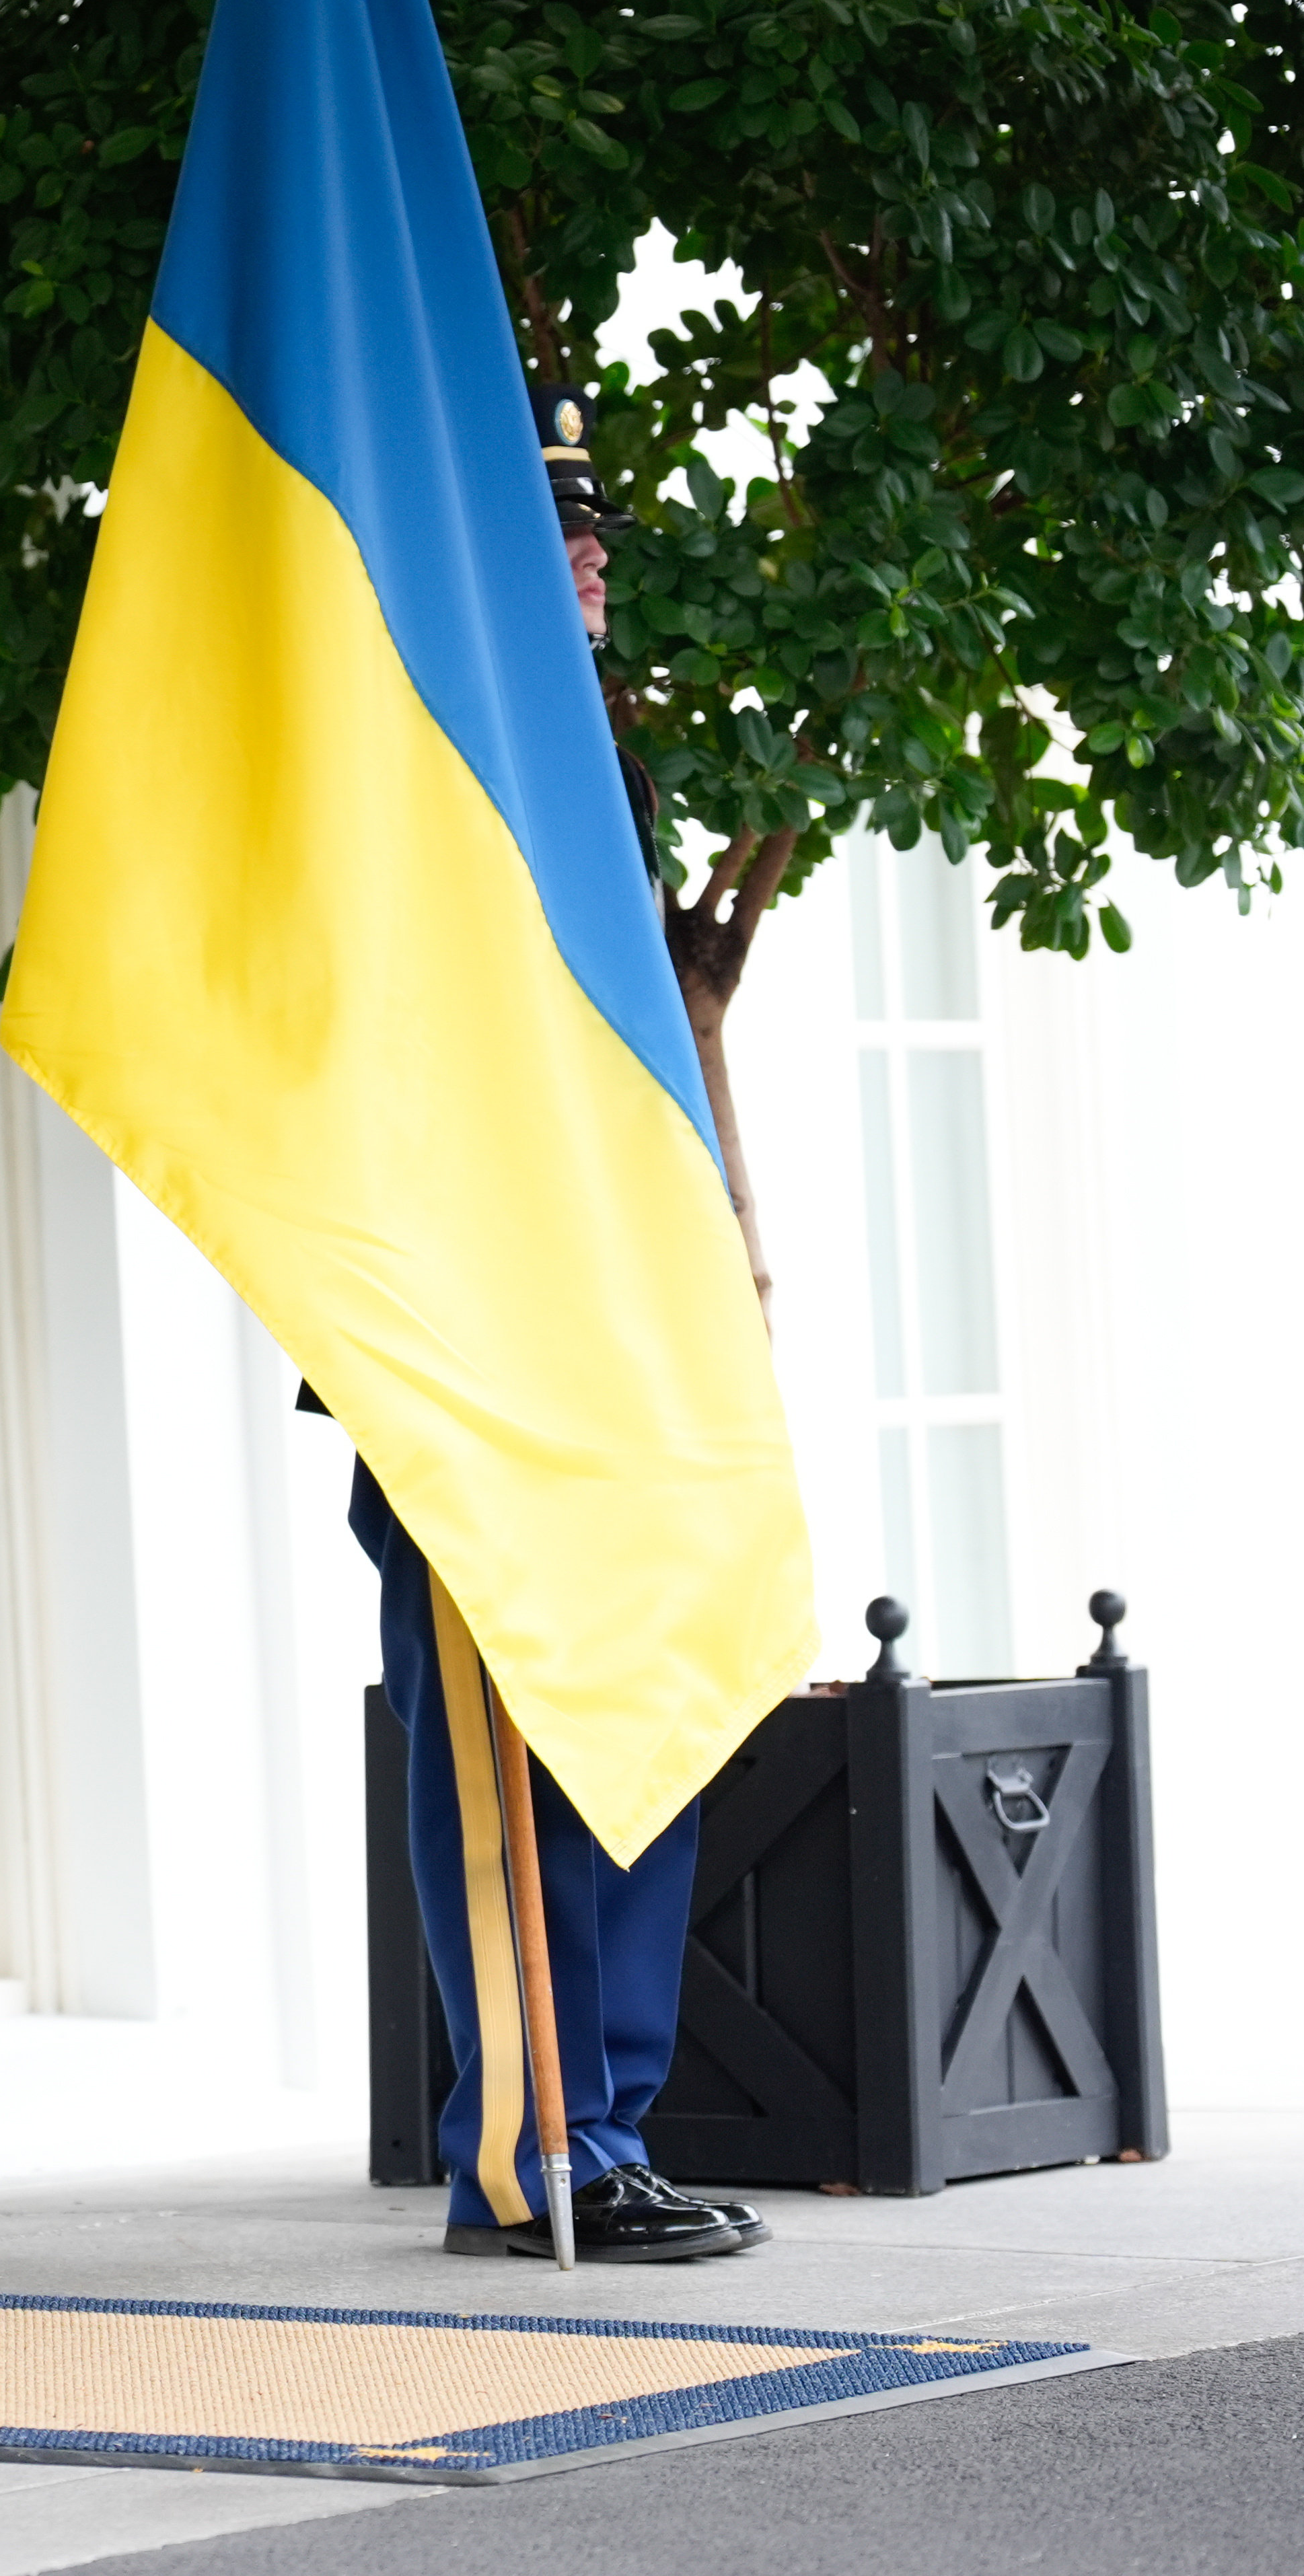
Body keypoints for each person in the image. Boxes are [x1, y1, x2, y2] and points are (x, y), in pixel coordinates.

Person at [306, 383, 766, 2267]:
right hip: (471, 1325)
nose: (588, 565)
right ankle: (536, 2146)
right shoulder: (404, 753)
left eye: (596, 537)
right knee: (499, 1751)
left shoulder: (599, 759)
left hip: (619, 1320)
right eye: (551, 533)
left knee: (639, 1701)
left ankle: (620, 2117)